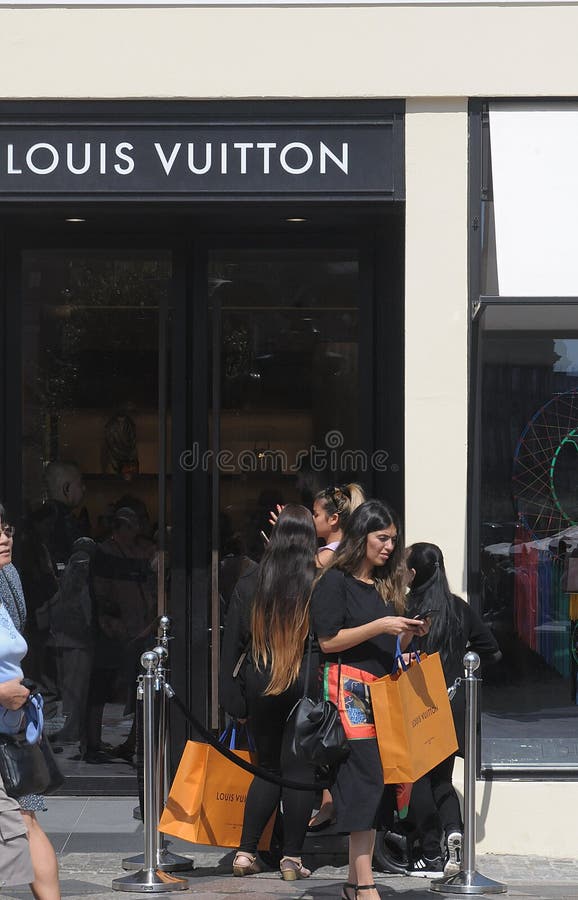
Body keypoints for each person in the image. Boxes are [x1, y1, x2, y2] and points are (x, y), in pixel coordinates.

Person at [310, 499, 428, 900]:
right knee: (365, 782)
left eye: (393, 540)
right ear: (361, 537)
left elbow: (379, 643)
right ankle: (364, 884)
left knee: (376, 786)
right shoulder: (333, 582)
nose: (390, 547)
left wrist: (405, 637)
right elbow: (328, 641)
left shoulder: (380, 585)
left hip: (379, 695)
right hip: (348, 696)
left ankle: (354, 881)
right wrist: (380, 623)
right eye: (383, 538)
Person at [221, 505, 318, 882]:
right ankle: (291, 859)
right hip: (304, 681)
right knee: (299, 771)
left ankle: (246, 853)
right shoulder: (317, 580)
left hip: (260, 680)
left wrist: (233, 699)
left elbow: (232, 644)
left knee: (267, 769)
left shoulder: (251, 581)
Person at [404, 542, 502, 878]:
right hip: (454, 701)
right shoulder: (458, 609)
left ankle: (431, 853)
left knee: (417, 777)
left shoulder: (408, 610)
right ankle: (453, 834)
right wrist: (465, 664)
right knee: (442, 779)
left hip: (418, 703)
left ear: (414, 573)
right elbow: (492, 650)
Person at [0, 507, 61, 899]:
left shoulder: (9, 577)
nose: (4, 538)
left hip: (12, 729)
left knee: (26, 817)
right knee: (12, 824)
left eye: (6, 529)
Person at [313, 483, 366, 568]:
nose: (312, 519)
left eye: (316, 515)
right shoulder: (346, 549)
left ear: (333, 519)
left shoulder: (328, 556)